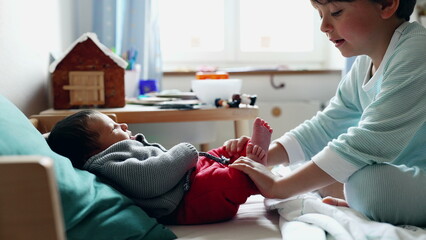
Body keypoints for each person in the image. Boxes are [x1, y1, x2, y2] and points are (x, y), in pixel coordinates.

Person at [227, 0, 426, 227]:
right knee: (333, 168)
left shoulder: (417, 51)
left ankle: (338, 188)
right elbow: (326, 125)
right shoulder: (363, 63)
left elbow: (371, 141)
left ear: (386, 4)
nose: (323, 26)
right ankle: (338, 187)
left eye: (336, 12)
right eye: (320, 14)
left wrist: (279, 188)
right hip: (408, 173)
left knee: (371, 185)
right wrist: (262, 157)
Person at [46, 109, 273, 225]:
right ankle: (250, 174)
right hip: (185, 202)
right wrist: (185, 151)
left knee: (215, 156)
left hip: (185, 180)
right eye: (115, 128)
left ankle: (240, 154)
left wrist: (212, 156)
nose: (123, 125)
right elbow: (153, 178)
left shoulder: (116, 152)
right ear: (93, 152)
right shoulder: (108, 164)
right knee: (222, 182)